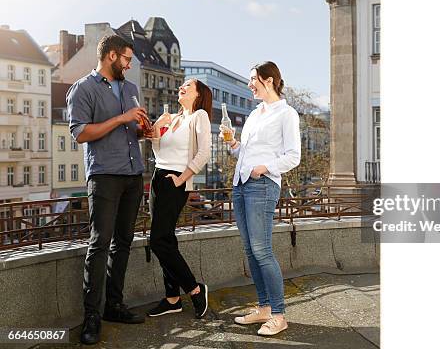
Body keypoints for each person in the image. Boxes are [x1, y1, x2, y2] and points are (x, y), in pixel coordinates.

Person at [67, 35, 150, 345]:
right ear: (112, 56)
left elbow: (134, 129)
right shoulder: (83, 88)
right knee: (100, 243)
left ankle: (115, 306)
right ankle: (92, 317)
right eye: (126, 59)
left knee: (124, 242)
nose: (129, 64)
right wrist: (121, 118)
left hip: (133, 174)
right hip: (104, 175)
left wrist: (144, 129)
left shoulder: (130, 89)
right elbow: (81, 134)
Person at [221, 61, 300, 336]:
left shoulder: (286, 114)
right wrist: (233, 145)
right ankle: (265, 308)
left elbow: (293, 155)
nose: (249, 84)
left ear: (268, 80)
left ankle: (279, 314)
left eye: (253, 79)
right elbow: (248, 151)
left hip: (262, 185)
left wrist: (264, 168)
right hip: (242, 185)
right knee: (250, 250)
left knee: (263, 250)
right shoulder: (255, 113)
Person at [146, 79, 212, 319]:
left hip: (175, 181)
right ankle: (172, 298)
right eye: (180, 86)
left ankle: (195, 289)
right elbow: (158, 152)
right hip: (158, 177)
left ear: (198, 94)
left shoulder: (199, 116)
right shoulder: (172, 118)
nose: (181, 88)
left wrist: (183, 178)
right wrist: (156, 128)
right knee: (166, 239)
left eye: (187, 86)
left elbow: (204, 152)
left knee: (158, 240)